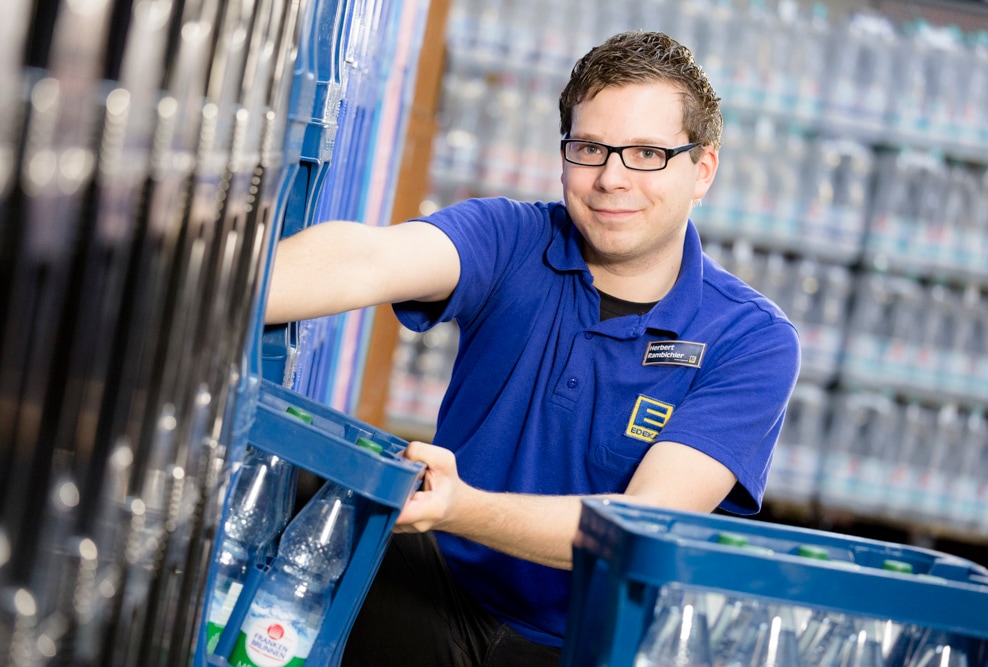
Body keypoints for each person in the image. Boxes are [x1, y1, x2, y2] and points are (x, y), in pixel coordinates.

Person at [265, 30, 800, 666]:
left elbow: (641, 525)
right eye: (590, 148)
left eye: (647, 154)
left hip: (587, 643)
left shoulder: (750, 341)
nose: (611, 178)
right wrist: (205, 287)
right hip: (437, 588)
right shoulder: (513, 238)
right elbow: (367, 258)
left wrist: (463, 508)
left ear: (701, 169)